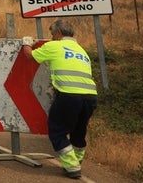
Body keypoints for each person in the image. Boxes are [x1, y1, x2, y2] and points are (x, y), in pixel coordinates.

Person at [22, 19, 98, 179]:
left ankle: (72, 167)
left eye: (51, 34)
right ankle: (76, 161)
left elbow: (30, 56)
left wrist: (26, 43)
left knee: (57, 130)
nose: (50, 38)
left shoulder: (54, 46)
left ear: (58, 33)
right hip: (91, 97)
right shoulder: (82, 51)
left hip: (69, 95)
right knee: (79, 132)